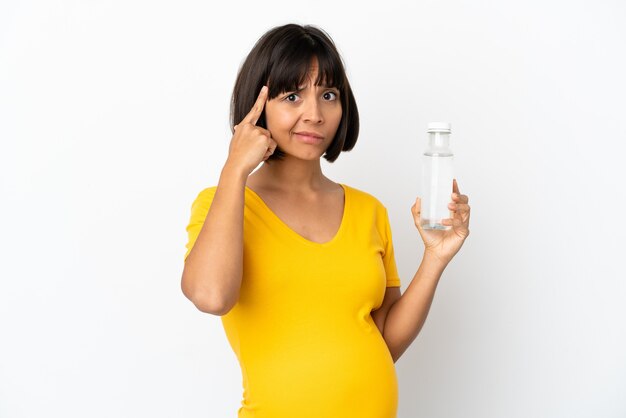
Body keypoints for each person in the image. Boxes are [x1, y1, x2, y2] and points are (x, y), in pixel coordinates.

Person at [181, 23, 471, 418]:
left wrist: (435, 259)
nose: (314, 114)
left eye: (328, 95)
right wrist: (235, 168)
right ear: (257, 105)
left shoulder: (368, 210)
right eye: (292, 95)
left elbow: (385, 339)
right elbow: (211, 296)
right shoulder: (225, 203)